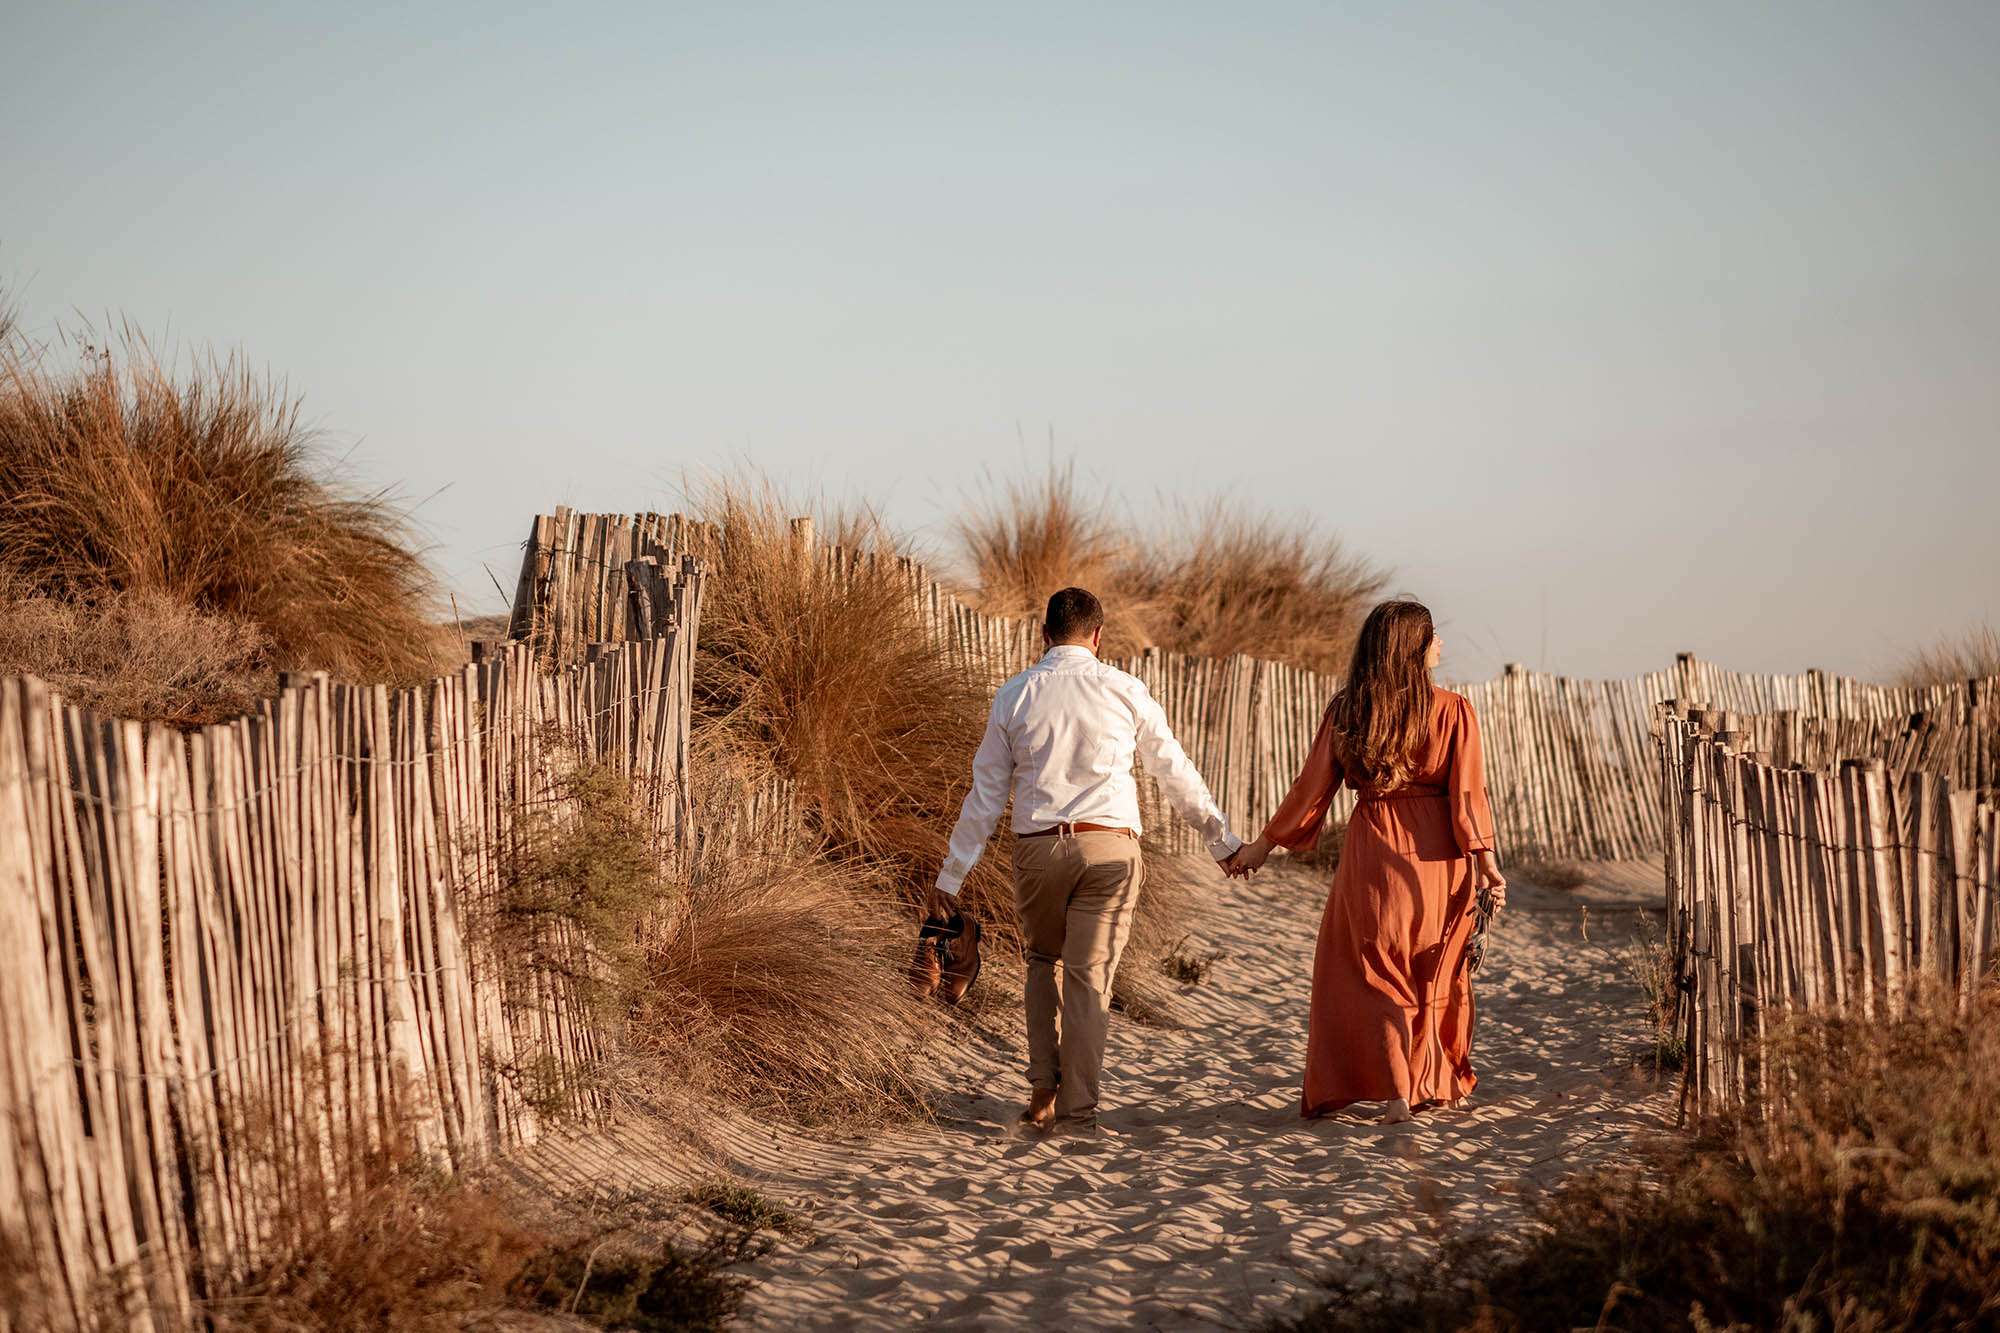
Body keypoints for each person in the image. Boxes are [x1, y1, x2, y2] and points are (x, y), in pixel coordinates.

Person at [931, 587, 1243, 1136]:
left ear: (1043, 634)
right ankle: (1080, 1114)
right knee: (1089, 977)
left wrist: (952, 873)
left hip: (1037, 850)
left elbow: (985, 795)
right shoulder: (1125, 690)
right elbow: (1174, 771)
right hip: (1109, 850)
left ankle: (1041, 1094)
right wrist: (1220, 841)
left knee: (1041, 961)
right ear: (1098, 637)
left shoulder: (1014, 695)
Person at [1225, 600, 1506, 1124]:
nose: (1441, 643)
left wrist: (1263, 846)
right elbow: (1469, 794)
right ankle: (1426, 1081)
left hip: (1374, 849)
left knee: (1375, 971)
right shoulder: (1454, 710)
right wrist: (1485, 861)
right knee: (1433, 967)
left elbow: (1312, 790)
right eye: (1433, 635)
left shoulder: (1350, 710)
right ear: (1413, 647)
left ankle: (1397, 1091)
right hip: (1439, 855)